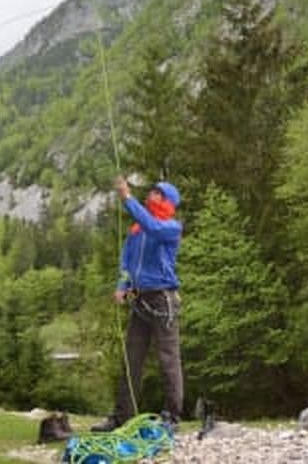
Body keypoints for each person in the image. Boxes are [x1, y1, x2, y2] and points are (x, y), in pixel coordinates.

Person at [91, 177, 184, 432]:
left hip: (163, 299)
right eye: (152, 191)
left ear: (167, 201)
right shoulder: (136, 231)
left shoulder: (170, 227)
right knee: (131, 360)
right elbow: (126, 263)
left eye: (157, 193)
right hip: (140, 299)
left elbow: (152, 226)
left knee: (168, 360)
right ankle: (122, 417)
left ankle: (172, 418)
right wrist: (122, 286)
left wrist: (127, 198)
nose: (151, 194)